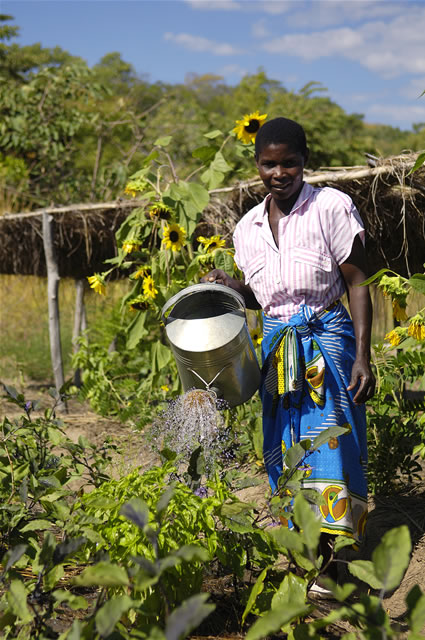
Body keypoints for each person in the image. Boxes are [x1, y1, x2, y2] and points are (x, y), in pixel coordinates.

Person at [202, 117, 375, 590]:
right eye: (269, 164)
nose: (279, 173)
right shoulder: (247, 228)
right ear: (256, 165)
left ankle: (333, 566)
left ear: (305, 162)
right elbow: (267, 296)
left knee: (331, 448)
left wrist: (363, 355)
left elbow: (357, 282)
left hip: (327, 342)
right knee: (284, 450)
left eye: (289, 163)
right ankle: (304, 554)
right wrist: (235, 287)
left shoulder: (331, 208)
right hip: (276, 351)